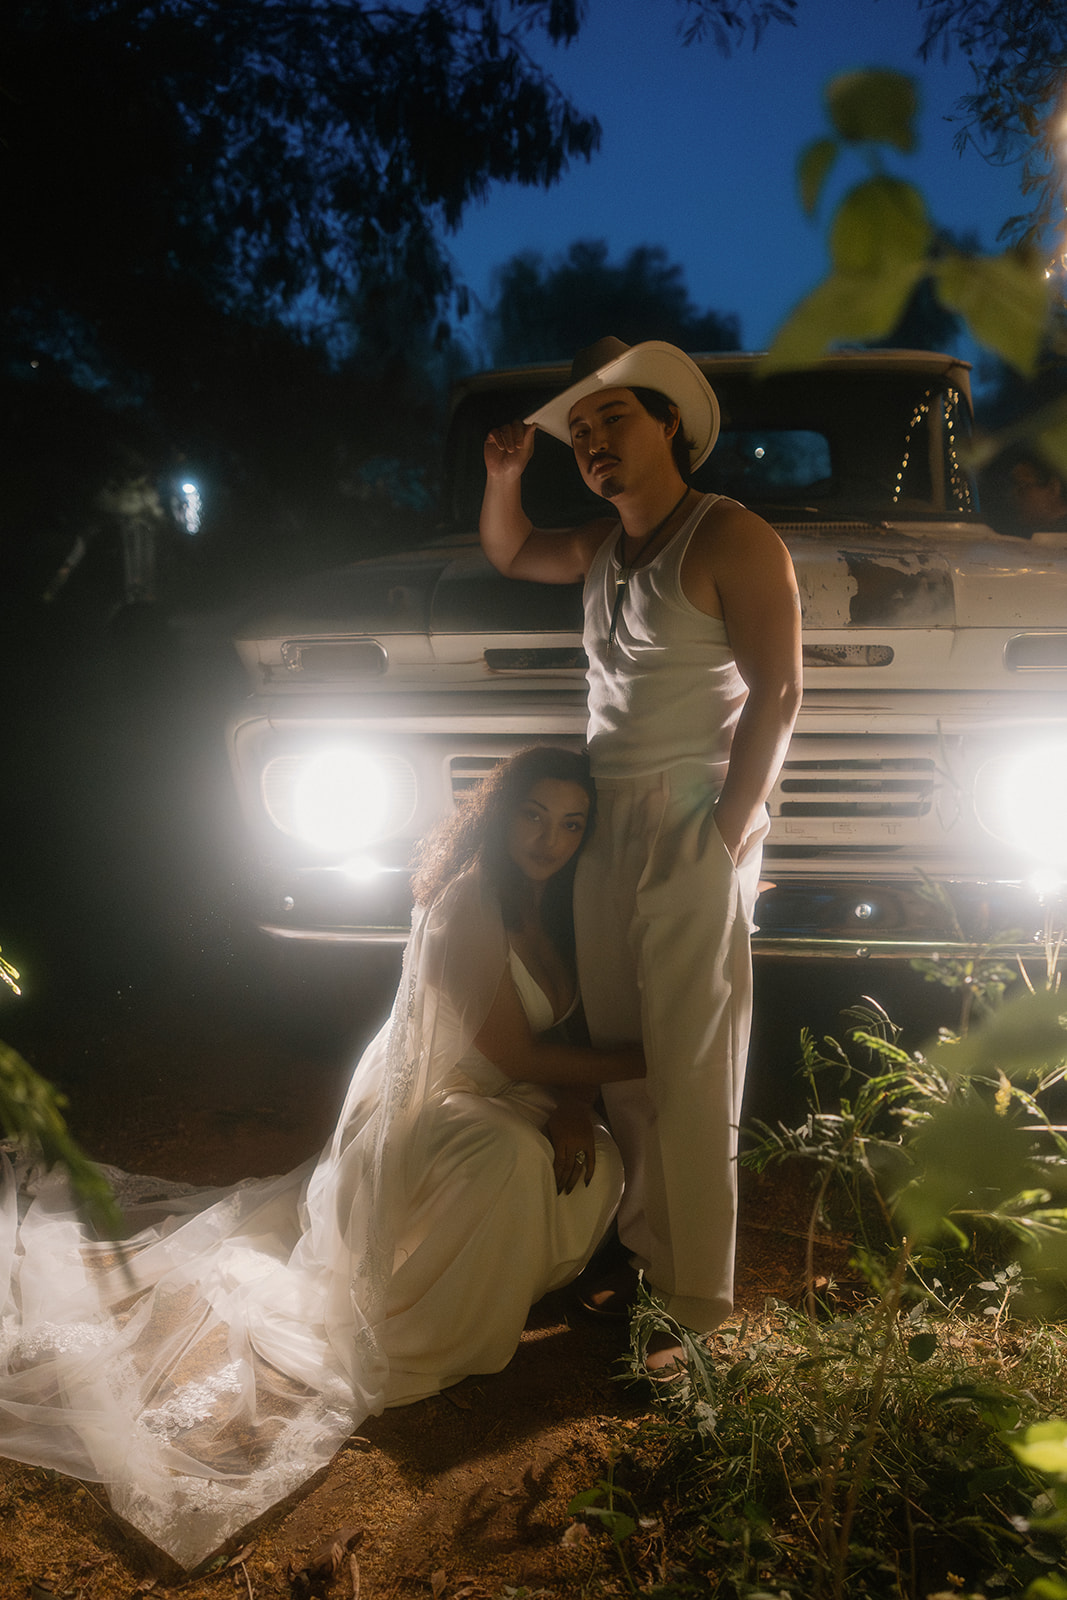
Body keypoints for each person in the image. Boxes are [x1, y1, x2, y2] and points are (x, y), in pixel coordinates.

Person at [0, 746, 640, 1569]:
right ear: (498, 811)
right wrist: (648, 1062)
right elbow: (513, 1052)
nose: (550, 839)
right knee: (510, 1159)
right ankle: (441, 1323)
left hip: (507, 1095)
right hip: (432, 1102)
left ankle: (502, 1269)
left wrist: (581, 1103)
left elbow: (563, 1039)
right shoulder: (466, 902)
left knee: (607, 1163)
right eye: (532, 815)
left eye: (571, 823)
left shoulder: (560, 904)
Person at [480, 337, 803, 1361]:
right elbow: (507, 549)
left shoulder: (731, 535)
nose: (590, 445)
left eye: (610, 421)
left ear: (668, 422)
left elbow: (778, 690)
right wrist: (503, 477)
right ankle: (645, 1260)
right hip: (603, 809)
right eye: (577, 434)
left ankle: (699, 1309)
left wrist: (725, 830)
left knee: (692, 1061)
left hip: (688, 812)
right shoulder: (594, 546)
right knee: (624, 1056)